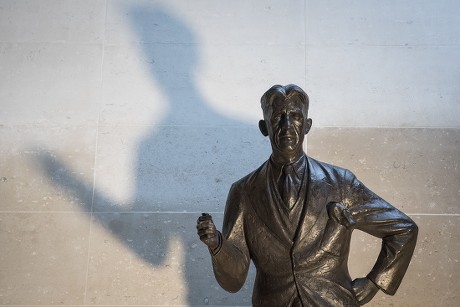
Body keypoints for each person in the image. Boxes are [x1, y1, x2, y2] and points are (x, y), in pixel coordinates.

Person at [196, 84, 418, 306]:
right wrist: (217, 245)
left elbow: (403, 229)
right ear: (264, 127)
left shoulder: (341, 182)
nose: (287, 126)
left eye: (295, 117)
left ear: (307, 125)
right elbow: (234, 280)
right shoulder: (243, 192)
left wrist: (374, 283)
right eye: (277, 118)